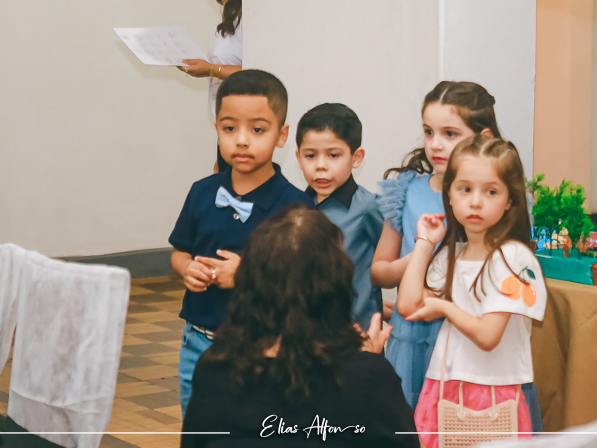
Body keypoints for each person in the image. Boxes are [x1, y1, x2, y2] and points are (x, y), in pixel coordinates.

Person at [180, 206, 419, 448]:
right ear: (334, 286)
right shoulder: (368, 378)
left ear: (251, 283)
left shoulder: (213, 368)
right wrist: (368, 364)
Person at [169, 70, 313, 418]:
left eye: (258, 130)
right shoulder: (202, 192)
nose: (242, 141)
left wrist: (247, 275)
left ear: (282, 135)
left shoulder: (296, 207)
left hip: (264, 345)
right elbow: (179, 252)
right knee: (198, 427)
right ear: (216, 128)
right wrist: (187, 268)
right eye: (229, 128)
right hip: (198, 342)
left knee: (252, 429)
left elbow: (304, 282)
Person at [398, 135, 548, 446]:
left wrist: (444, 307)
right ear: (449, 195)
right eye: (465, 189)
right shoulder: (452, 254)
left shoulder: (514, 258)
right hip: (444, 386)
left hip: (495, 390)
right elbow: (409, 306)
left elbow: (488, 336)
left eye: (491, 191)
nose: (476, 202)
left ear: (510, 200)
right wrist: (425, 243)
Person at [371, 81, 501, 409]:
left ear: (484, 138)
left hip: (468, 334)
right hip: (412, 334)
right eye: (429, 132)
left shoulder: (494, 200)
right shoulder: (406, 190)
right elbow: (380, 272)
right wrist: (422, 253)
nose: (435, 144)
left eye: (450, 134)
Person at [295, 103, 384, 330]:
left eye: (333, 155)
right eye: (310, 155)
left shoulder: (368, 208)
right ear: (298, 158)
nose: (320, 166)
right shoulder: (294, 207)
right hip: (303, 333)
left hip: (355, 334)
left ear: (356, 157)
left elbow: (391, 263)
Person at [178, 0, 243, 172]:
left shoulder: (250, 17)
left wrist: (210, 69)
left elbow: (260, 72)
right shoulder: (229, 18)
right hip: (228, 128)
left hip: (245, 131)